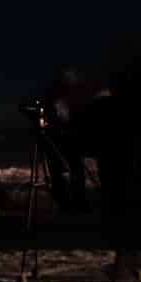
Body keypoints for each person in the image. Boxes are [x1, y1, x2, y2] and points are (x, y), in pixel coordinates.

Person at [85, 44, 141, 282]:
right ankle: (128, 267)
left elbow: (90, 141)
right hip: (127, 177)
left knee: (127, 221)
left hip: (123, 179)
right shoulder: (120, 107)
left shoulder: (110, 108)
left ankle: (126, 270)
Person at [38, 67, 94, 214]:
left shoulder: (75, 100)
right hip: (57, 139)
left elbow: (79, 120)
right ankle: (66, 202)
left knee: (74, 171)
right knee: (61, 173)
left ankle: (76, 202)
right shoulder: (55, 99)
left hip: (68, 139)